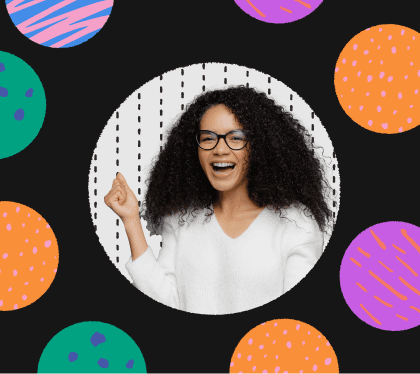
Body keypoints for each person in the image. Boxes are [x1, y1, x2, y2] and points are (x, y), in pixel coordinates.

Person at [104, 85, 334, 314]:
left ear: (260, 146)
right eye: (207, 138)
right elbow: (164, 302)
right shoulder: (180, 219)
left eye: (235, 138)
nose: (219, 149)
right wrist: (131, 220)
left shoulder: (296, 224)